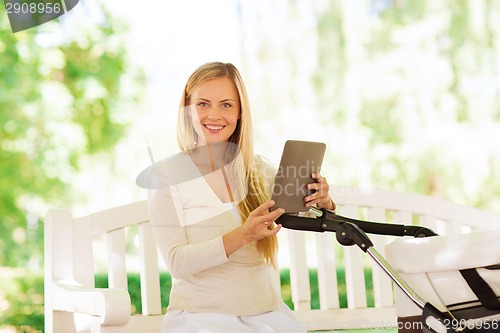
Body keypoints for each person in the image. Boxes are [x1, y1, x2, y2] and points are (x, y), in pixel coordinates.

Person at [147, 62, 336, 333]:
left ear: (239, 114)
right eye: (203, 104)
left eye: (226, 105)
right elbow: (178, 262)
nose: (214, 115)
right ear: (188, 110)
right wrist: (243, 235)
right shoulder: (166, 175)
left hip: (266, 315)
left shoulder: (257, 169)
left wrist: (323, 201)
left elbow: (305, 213)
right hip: (200, 317)